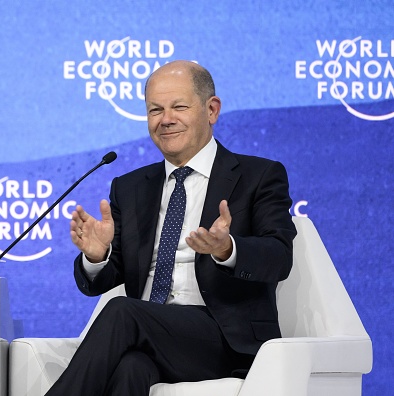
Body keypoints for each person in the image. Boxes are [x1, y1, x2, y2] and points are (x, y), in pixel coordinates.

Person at [46, 60, 297, 396]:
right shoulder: (130, 187)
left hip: (224, 339)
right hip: (151, 336)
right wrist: (98, 256)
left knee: (121, 310)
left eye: (179, 106)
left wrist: (227, 249)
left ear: (211, 109)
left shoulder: (259, 176)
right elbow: (104, 279)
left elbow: (279, 258)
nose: (166, 120)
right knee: (131, 369)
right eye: (155, 110)